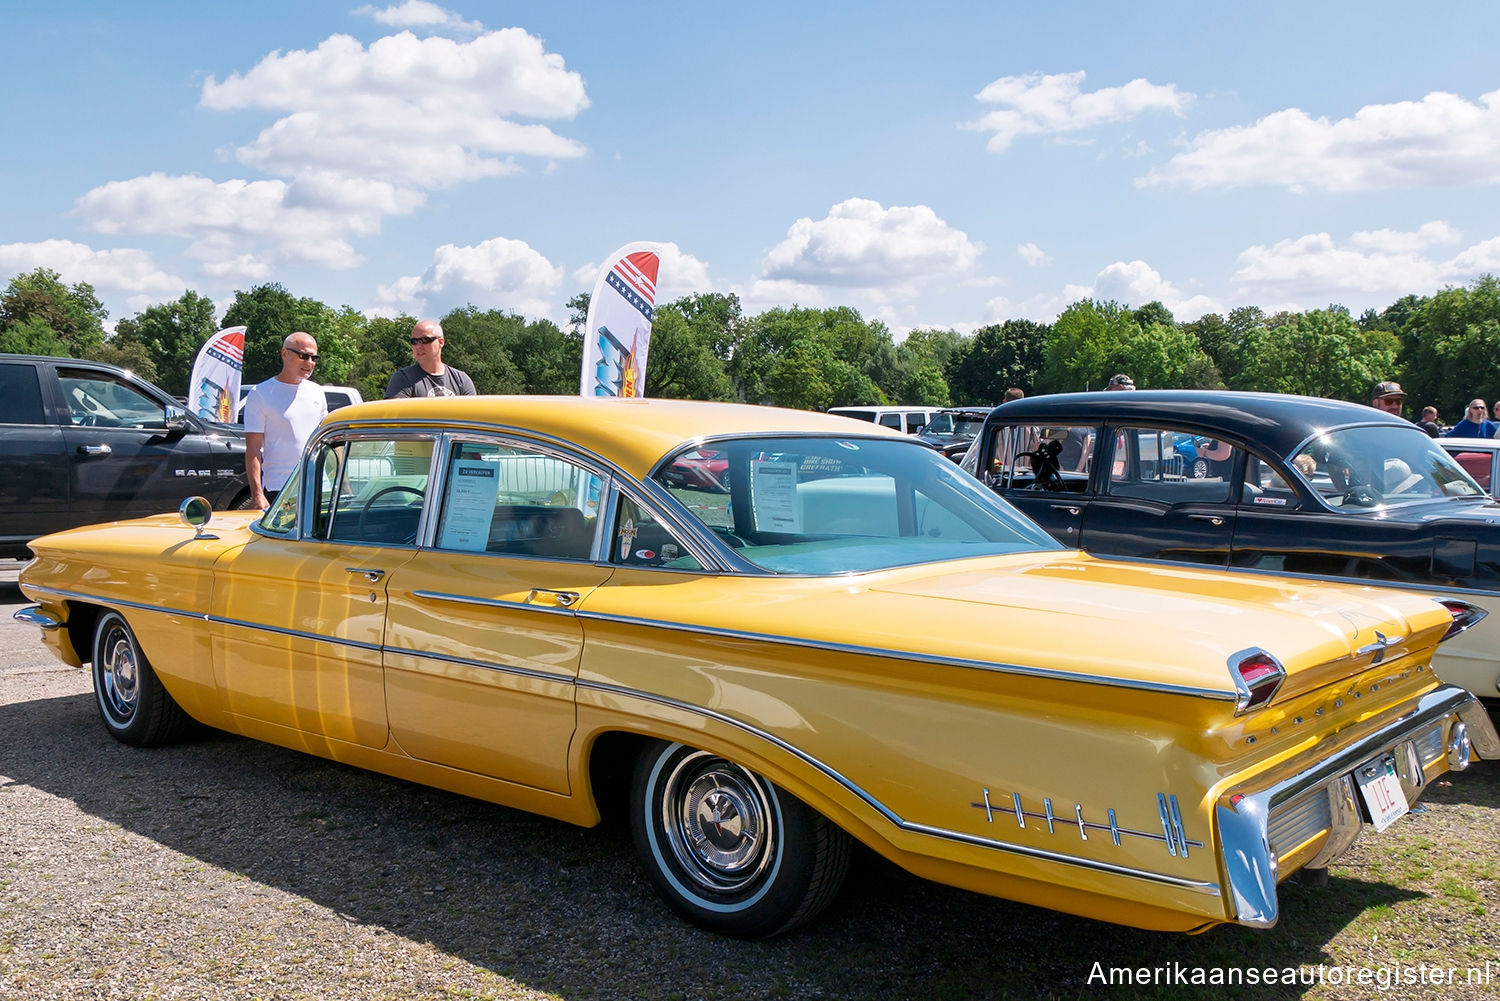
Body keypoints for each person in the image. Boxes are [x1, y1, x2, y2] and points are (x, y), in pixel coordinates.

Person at [243, 332, 328, 510]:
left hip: (318, 486)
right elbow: (253, 449)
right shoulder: (260, 393)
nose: (309, 363)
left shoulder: (317, 392)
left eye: (314, 358)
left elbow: (326, 441)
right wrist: (257, 494)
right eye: (304, 356)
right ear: (284, 353)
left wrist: (344, 485)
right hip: (280, 488)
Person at [385, 320, 477, 398]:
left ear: (441, 342)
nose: (418, 346)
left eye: (425, 340)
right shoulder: (403, 378)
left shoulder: (461, 380)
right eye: (414, 341)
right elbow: (394, 416)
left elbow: (473, 414)